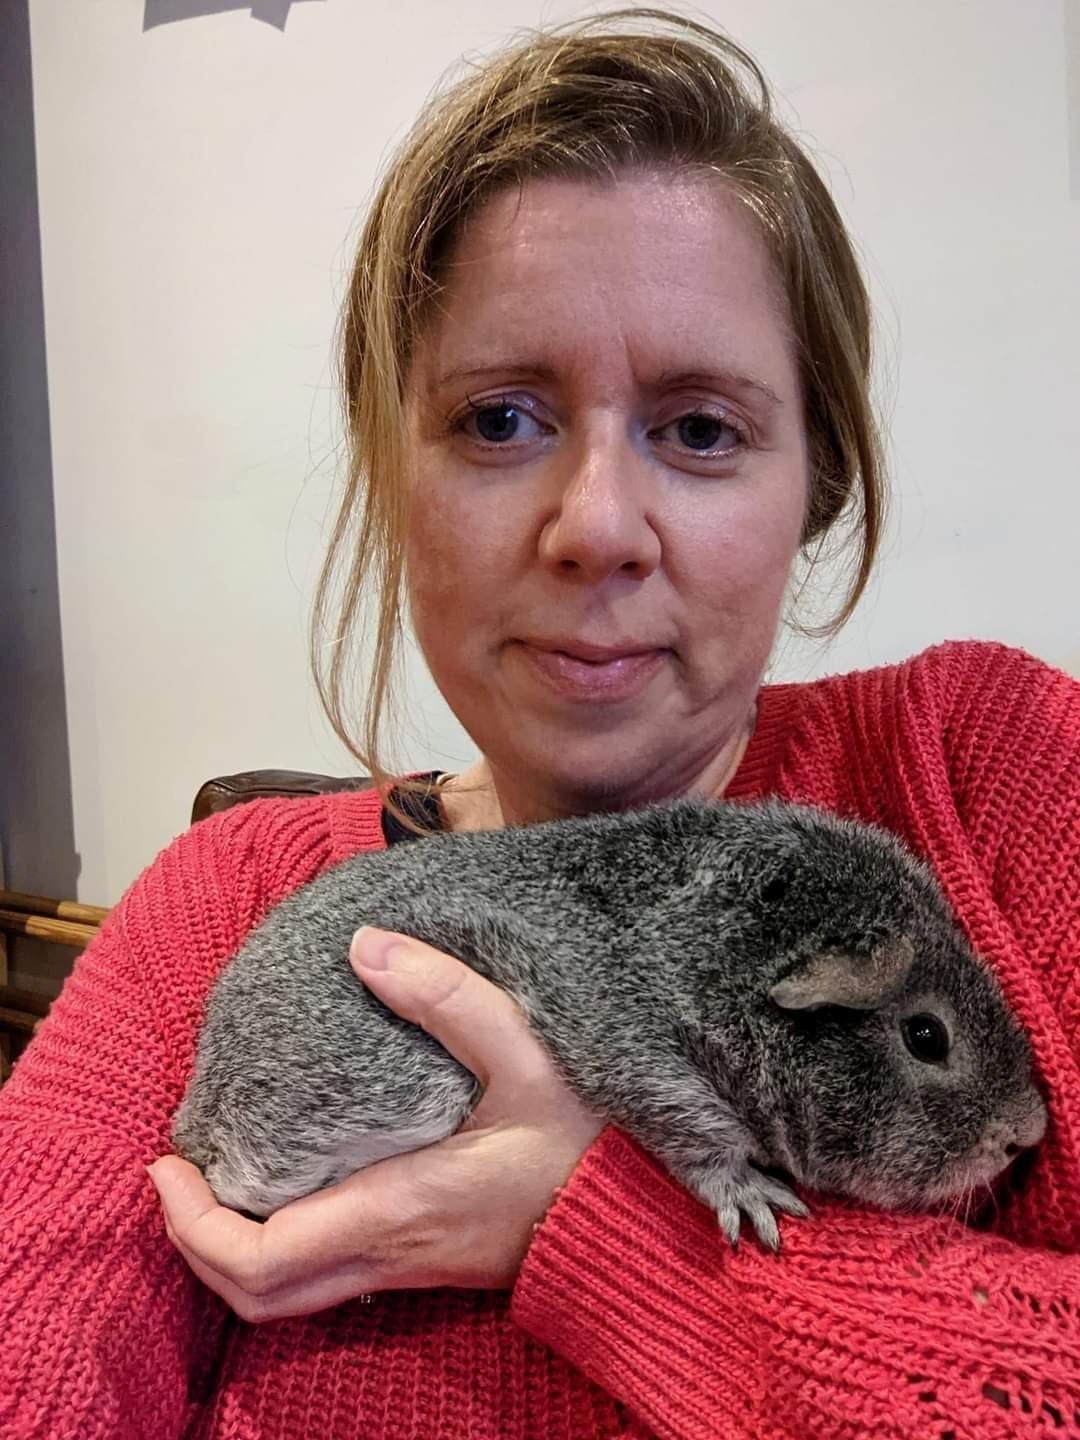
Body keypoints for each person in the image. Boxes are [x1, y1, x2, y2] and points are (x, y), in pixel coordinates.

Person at [1, 10, 1077, 1438]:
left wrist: (619, 1231)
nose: (597, 528)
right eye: (501, 420)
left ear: (814, 482)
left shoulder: (995, 773)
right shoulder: (225, 905)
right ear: (396, 478)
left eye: (699, 428)